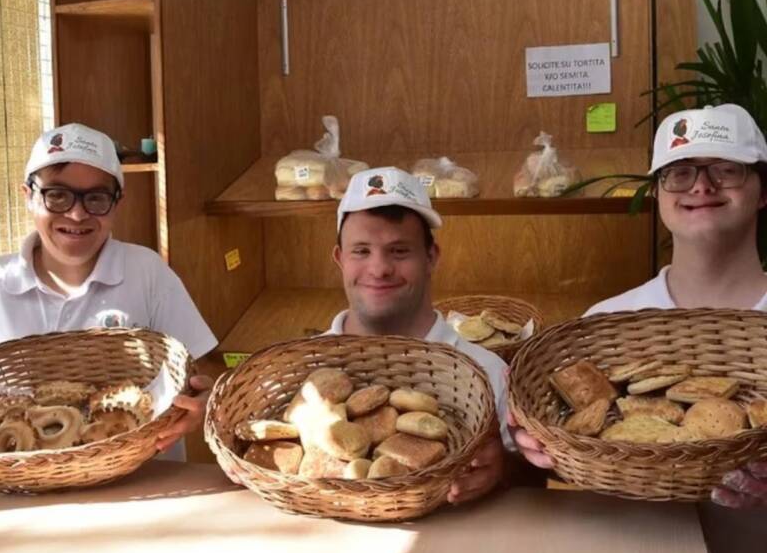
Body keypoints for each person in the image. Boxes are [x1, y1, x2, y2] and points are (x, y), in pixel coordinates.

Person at [512, 104, 767, 508]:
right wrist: (536, 450)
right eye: (680, 172)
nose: (701, 186)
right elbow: (569, 467)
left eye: (726, 169)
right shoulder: (603, 324)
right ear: (657, 193)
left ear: (762, 191)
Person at [0, 123, 216, 456]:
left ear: (117, 202)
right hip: (19, 488)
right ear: (28, 196)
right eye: (56, 195)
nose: (76, 213)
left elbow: (208, 366)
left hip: (144, 482)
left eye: (96, 198)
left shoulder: (145, 272)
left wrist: (204, 399)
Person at [327, 166, 512, 504]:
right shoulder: (307, 373)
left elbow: (537, 483)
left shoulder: (489, 372)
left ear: (431, 257)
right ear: (340, 259)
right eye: (361, 251)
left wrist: (503, 470)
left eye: (399, 251)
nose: (380, 268)